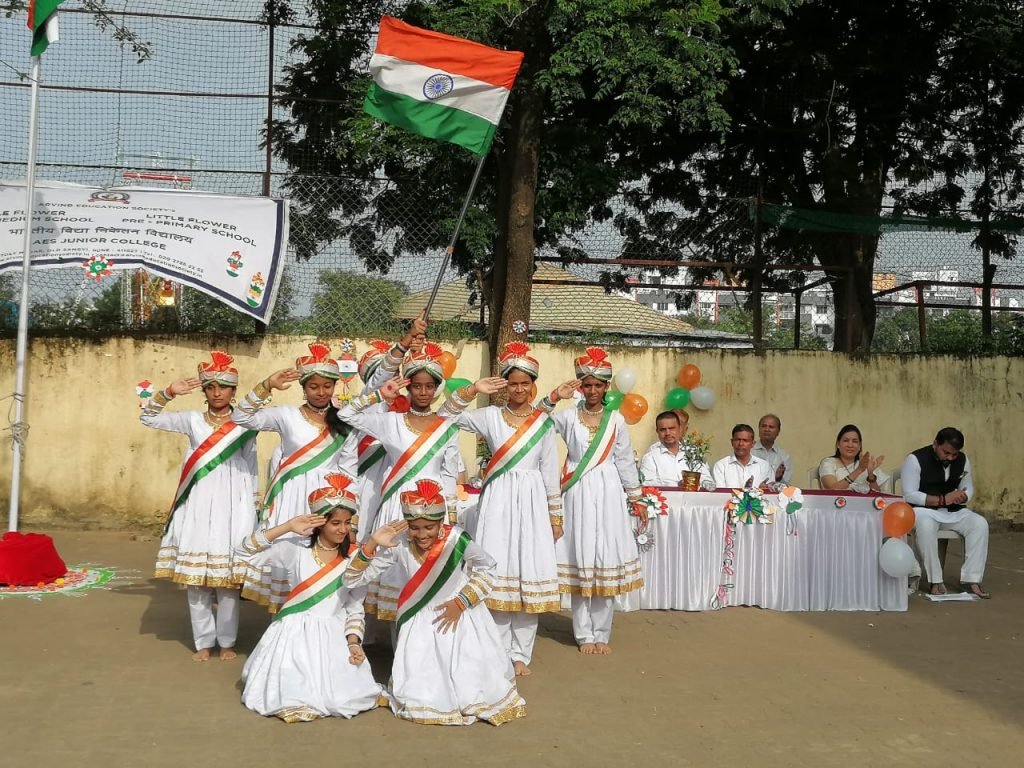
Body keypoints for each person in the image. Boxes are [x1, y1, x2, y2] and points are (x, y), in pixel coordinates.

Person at [334, 345, 504, 623]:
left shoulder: (446, 424)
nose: (423, 392)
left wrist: (449, 516)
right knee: (394, 573)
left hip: (434, 507)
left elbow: (450, 472)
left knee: (428, 572)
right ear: (409, 387)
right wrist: (379, 394)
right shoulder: (391, 421)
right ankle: (392, 645)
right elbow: (346, 415)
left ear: (437, 388)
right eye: (417, 386)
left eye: (429, 386)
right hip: (396, 506)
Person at [347, 480, 527, 726]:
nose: (422, 534)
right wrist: (372, 543)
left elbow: (488, 567)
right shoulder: (398, 544)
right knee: (423, 691)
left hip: (459, 619)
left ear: (440, 522)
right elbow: (353, 578)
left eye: (429, 527)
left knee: (472, 683)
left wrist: (461, 601)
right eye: (415, 527)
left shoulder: (457, 539)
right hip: (419, 624)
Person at [438, 342, 561, 676]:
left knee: (528, 570)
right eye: (513, 382)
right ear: (504, 383)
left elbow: (550, 473)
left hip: (533, 502)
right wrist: (471, 389)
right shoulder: (489, 416)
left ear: (533, 385)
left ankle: (520, 654)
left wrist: (555, 515)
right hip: (498, 502)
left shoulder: (544, 424)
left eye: (525, 383)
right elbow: (445, 417)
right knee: (498, 566)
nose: (519, 388)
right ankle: (495, 649)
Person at [140, 351, 257, 662]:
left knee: (229, 582)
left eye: (223, 387)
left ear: (235, 390)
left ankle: (228, 642)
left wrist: (251, 508)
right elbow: (147, 417)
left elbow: (251, 467)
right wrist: (167, 393)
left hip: (234, 503)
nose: (217, 393)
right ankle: (203, 641)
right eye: (210, 387)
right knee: (196, 582)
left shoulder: (246, 423)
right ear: (204, 391)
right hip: (198, 501)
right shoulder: (192, 420)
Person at [238, 473, 383, 722]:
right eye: (335, 523)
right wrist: (285, 527)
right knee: (290, 694)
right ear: (319, 523)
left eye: (348, 522)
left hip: (333, 636)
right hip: (293, 635)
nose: (343, 529)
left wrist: (353, 642)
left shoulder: (354, 559)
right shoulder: (294, 549)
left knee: (341, 699)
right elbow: (244, 552)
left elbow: (355, 607)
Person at [231, 342, 355, 609]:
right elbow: (242, 418)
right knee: (286, 557)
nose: (321, 392)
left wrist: (348, 512)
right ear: (304, 388)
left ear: (334, 386)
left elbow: (349, 469)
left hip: (326, 499)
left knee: (321, 560)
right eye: (314, 386)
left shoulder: (345, 421)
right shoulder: (286, 415)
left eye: (327, 386)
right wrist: (266, 385)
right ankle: (283, 625)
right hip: (291, 498)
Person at [538, 346, 645, 656]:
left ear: (606, 387)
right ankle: (584, 634)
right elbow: (535, 420)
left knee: (605, 559)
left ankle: (602, 632)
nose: (593, 390)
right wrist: (554, 396)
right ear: (580, 387)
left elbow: (624, 460)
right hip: (577, 492)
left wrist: (635, 496)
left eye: (599, 385)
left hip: (609, 491)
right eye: (587, 385)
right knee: (581, 556)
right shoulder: (568, 417)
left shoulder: (617, 421)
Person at [901, 428, 990, 598]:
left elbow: (968, 486)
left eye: (954, 454)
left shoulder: (962, 460)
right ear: (936, 444)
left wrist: (963, 496)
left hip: (953, 512)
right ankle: (936, 581)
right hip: (923, 511)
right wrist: (943, 500)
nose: (950, 458)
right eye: (946, 452)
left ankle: (972, 579)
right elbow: (909, 494)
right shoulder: (915, 459)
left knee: (980, 524)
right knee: (926, 524)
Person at [639, 410, 713, 488]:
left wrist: (697, 483)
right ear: (657, 431)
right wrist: (676, 485)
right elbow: (646, 485)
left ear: (679, 429)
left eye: (671, 428)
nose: (667, 433)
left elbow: (707, 480)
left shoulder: (694, 453)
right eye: (663, 429)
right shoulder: (650, 458)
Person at [818, 424, 888, 494]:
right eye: (846, 440)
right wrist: (859, 470)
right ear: (838, 444)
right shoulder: (828, 463)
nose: (850, 445)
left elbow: (879, 497)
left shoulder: (866, 463)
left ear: (860, 445)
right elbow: (832, 489)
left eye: (855, 441)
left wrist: (870, 475)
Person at [712, 424, 773, 489]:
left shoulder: (764, 466)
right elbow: (720, 494)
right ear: (732, 442)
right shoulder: (721, 466)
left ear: (753, 444)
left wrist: (762, 491)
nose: (741, 444)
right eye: (737, 440)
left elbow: (771, 493)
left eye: (745, 440)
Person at [752, 413, 792, 485]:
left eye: (771, 427)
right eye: (764, 426)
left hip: (775, 494)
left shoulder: (784, 456)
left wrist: (778, 479)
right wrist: (773, 478)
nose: (767, 429)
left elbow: (786, 485)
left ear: (778, 432)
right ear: (759, 429)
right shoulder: (749, 451)